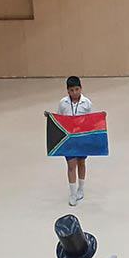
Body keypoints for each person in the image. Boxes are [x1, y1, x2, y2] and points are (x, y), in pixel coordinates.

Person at [56, 75, 93, 207]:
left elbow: (91, 121)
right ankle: (72, 194)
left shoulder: (87, 103)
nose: (74, 92)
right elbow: (59, 119)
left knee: (81, 162)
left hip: (81, 138)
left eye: (77, 89)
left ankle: (80, 189)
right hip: (69, 139)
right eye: (71, 90)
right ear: (68, 91)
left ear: (81, 88)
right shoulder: (63, 103)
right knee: (71, 165)